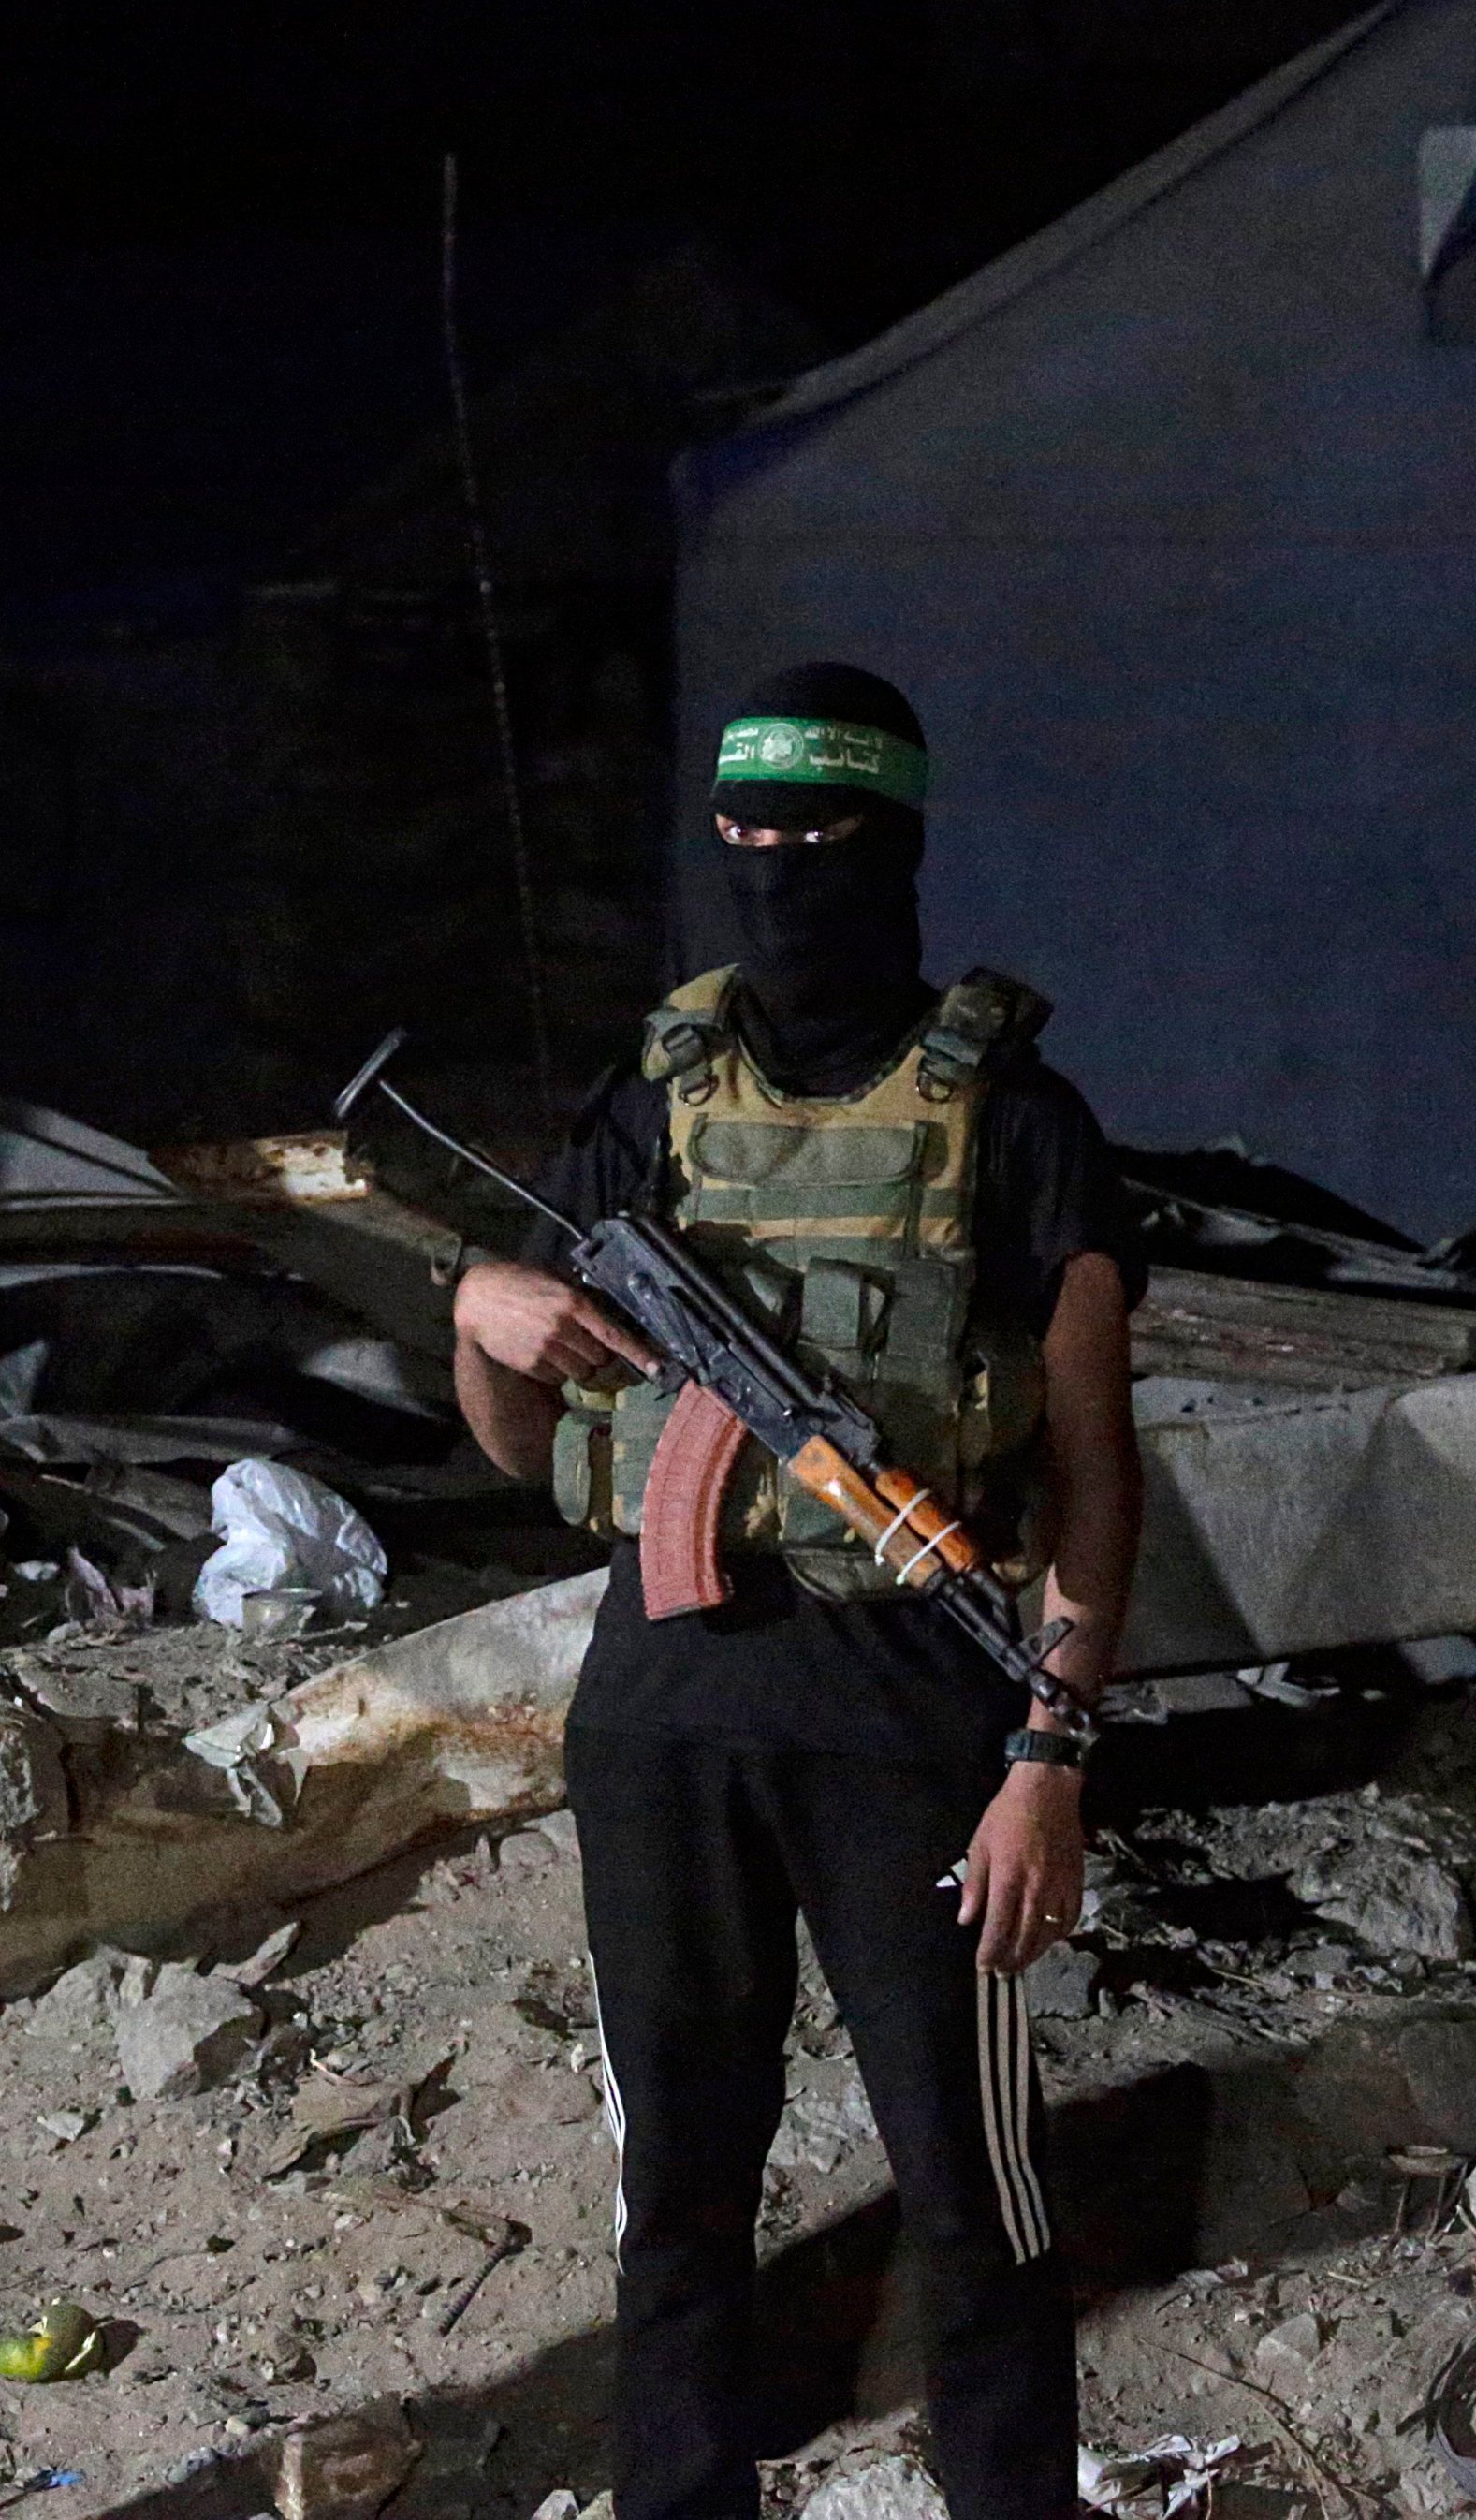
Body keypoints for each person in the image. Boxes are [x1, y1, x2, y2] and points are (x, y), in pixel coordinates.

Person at [451, 662, 1143, 2520]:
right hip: (664, 1703)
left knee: (968, 2181)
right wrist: (479, 1311)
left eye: (813, 836)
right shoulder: (649, 1096)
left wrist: (1050, 1746)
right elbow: (526, 1447)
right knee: (680, 2175)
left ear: (898, 843)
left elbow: (1091, 1460)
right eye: (738, 835)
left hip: (916, 1704)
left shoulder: (1017, 1117)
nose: (770, 869)